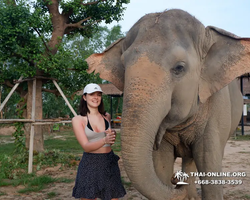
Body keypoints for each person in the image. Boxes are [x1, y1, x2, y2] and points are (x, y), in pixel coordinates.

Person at [72, 83, 126, 200]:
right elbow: (86, 146)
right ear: (84, 97)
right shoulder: (78, 120)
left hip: (108, 162)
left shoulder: (106, 117)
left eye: (98, 95)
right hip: (90, 164)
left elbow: (108, 143)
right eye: (92, 94)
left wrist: (111, 137)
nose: (96, 97)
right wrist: (104, 140)